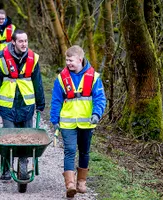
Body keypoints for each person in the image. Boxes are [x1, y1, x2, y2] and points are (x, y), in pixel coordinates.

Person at [0, 30, 45, 180]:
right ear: (13, 42)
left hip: (27, 105)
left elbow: (38, 82)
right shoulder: (2, 60)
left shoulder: (33, 59)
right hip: (8, 106)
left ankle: (23, 164)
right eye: (20, 41)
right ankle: (6, 169)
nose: (24, 44)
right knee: (8, 138)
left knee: (26, 139)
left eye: (25, 41)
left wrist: (40, 103)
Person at [50, 45, 106, 197]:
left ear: (80, 59)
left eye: (71, 60)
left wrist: (97, 114)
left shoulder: (93, 77)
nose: (68, 63)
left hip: (87, 122)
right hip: (67, 122)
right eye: (67, 60)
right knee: (69, 150)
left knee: (84, 152)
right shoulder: (61, 78)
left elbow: (100, 99)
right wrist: (54, 119)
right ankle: (70, 184)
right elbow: (56, 100)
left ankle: (81, 182)